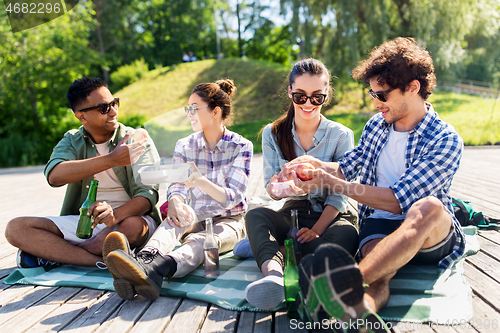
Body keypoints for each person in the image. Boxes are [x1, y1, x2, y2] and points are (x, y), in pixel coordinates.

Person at [284, 38, 465, 331]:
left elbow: (397, 201)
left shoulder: (445, 139)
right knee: (381, 274)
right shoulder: (376, 126)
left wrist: (333, 183)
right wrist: (312, 165)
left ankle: (334, 286)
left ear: (414, 87)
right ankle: (354, 313)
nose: (376, 102)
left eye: (382, 94)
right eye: (373, 93)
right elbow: (345, 167)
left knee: (428, 207)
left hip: (429, 234)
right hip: (379, 224)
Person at [103, 79, 253, 300]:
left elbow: (232, 197)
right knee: (174, 220)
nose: (189, 114)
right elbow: (177, 183)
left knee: (202, 241)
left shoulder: (241, 146)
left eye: (194, 108)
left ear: (215, 112)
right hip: (194, 214)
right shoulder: (184, 145)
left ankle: (157, 269)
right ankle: (143, 262)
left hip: (229, 220)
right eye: (187, 109)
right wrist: (174, 201)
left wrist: (200, 180)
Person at [5, 76, 161, 273]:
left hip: (128, 219)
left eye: (114, 103)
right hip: (85, 223)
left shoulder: (135, 138)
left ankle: (59, 255)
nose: (113, 111)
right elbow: (54, 175)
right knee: (16, 229)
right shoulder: (73, 139)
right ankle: (101, 261)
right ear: (82, 116)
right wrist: (111, 159)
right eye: (104, 108)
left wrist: (114, 217)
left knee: (131, 227)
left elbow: (147, 195)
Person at [242, 58, 359, 311]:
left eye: (317, 97)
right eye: (300, 96)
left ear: (326, 96)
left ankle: (291, 259)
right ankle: (273, 276)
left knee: (347, 235)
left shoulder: (341, 135)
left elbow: (340, 195)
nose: (308, 104)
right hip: (293, 211)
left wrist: (317, 229)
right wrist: (287, 187)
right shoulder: (273, 134)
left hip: (332, 216)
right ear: (289, 93)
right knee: (255, 217)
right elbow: (271, 190)